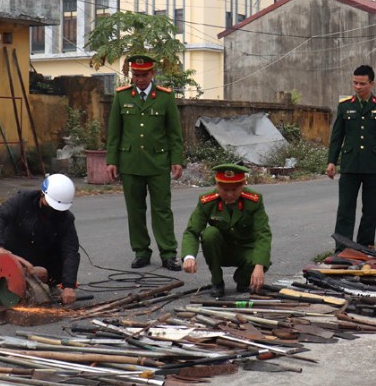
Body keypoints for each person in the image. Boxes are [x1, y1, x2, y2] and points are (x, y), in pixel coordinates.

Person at [106, 54, 184, 271]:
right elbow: (114, 133)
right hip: (130, 163)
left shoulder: (165, 97)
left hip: (158, 162)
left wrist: (176, 160)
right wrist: (112, 160)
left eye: (143, 75)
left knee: (162, 209)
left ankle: (168, 253)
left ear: (153, 74)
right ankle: (141, 252)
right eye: (136, 75)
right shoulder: (122, 96)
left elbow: (174, 133)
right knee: (135, 210)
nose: (139, 79)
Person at [326, 65, 376, 252]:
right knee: (345, 209)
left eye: (362, 83)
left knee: (370, 209)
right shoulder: (345, 106)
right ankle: (342, 247)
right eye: (355, 83)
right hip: (350, 165)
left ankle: (364, 246)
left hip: (374, 166)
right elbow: (336, 137)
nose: (358, 87)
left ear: (372, 84)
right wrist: (331, 161)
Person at [0, 174, 80, 306]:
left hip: (44, 260)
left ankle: (50, 286)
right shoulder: (22, 201)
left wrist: (69, 286)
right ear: (42, 194)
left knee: (64, 256)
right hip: (17, 254)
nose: (52, 210)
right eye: (50, 204)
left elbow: (71, 251)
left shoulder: (66, 218)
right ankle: (6, 286)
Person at [181, 164, 272, 298]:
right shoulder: (207, 201)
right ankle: (217, 282)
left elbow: (263, 234)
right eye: (224, 189)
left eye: (235, 189)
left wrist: (259, 266)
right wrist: (189, 257)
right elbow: (192, 231)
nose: (229, 194)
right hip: (220, 250)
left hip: (246, 250)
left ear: (243, 185)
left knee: (261, 261)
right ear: (217, 185)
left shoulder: (254, 200)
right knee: (209, 233)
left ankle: (243, 280)